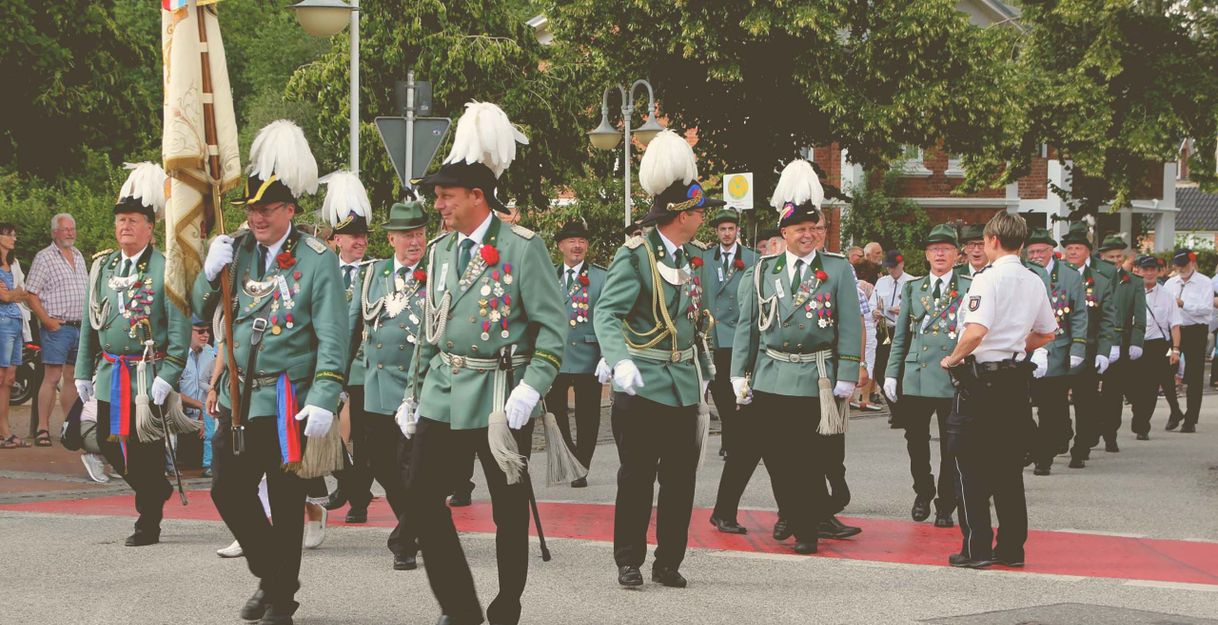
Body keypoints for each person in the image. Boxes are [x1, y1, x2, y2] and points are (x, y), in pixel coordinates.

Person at [399, 101, 565, 625]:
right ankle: (461, 607)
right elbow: (432, 328)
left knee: (509, 512)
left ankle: (506, 604)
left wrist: (532, 387)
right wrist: (411, 392)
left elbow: (552, 329)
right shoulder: (441, 250)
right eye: (437, 196)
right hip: (444, 392)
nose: (439, 205)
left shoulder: (523, 248)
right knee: (419, 499)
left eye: (447, 196)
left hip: (499, 397)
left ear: (477, 196)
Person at [195, 120, 347, 625]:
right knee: (226, 490)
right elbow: (199, 310)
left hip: (288, 400)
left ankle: (280, 600)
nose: (257, 217)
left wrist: (326, 394)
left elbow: (332, 334)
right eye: (252, 210)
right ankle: (274, 576)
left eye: (267, 209)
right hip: (242, 399)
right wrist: (208, 272)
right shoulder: (235, 251)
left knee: (285, 504)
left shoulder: (315, 259)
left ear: (290, 210)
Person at [595, 129, 718, 587]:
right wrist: (618, 359)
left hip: (683, 384)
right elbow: (607, 313)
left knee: (680, 482)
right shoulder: (634, 257)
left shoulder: (693, 258)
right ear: (680, 215)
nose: (704, 216)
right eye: (699, 210)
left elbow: (695, 321)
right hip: (641, 382)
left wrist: (704, 372)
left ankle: (670, 561)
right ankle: (629, 559)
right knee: (637, 478)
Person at [728, 159, 862, 555]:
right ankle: (790, 512)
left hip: (815, 377)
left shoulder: (836, 270)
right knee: (777, 458)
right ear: (784, 232)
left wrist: (848, 373)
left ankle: (806, 529)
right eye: (799, 229)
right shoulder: (762, 271)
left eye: (813, 229)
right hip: (770, 374)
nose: (808, 236)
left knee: (807, 459)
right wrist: (739, 373)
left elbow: (850, 325)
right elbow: (748, 326)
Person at [73, 162, 190, 546]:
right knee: (107, 440)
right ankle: (156, 490)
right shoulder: (102, 266)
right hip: (110, 373)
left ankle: (148, 521)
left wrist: (168, 375)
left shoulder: (164, 267)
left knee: (145, 450)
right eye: (121, 220)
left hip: (146, 375)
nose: (125, 226)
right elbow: (92, 322)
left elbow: (178, 331)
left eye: (134, 220)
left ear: (150, 227)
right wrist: (82, 371)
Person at [940, 211, 1056, 569]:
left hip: (981, 381)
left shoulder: (986, 280)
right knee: (1008, 469)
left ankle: (976, 548)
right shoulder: (1034, 280)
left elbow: (975, 331)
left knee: (969, 467)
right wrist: (1018, 342)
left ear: (992, 240)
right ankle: (1011, 549)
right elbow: (1048, 333)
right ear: (1020, 243)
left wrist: (953, 359)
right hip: (1013, 381)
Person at [353, 198, 426, 571]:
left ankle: (406, 540)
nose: (414, 242)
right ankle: (415, 526)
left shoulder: (437, 273)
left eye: (419, 234)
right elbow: (354, 326)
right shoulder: (373, 274)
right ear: (392, 238)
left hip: (417, 389)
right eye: (406, 235)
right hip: (377, 387)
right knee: (381, 465)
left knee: (413, 468)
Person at [883, 223, 970, 527]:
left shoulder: (970, 286)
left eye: (946, 249)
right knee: (915, 440)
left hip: (951, 375)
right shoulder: (913, 288)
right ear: (926, 255)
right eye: (934, 249)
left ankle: (946, 502)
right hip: (917, 374)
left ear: (957, 254)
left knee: (951, 443)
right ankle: (923, 491)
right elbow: (901, 337)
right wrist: (891, 373)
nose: (940, 254)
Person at [323, 179, 376, 523]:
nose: (359, 241)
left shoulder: (376, 271)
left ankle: (357, 497)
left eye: (363, 236)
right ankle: (351, 483)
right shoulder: (324, 271)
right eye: (351, 236)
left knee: (368, 438)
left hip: (364, 365)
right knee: (323, 428)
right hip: (328, 363)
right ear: (336, 240)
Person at [546, 220, 607, 485]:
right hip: (556, 356)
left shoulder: (601, 277)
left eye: (582, 241)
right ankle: (569, 457)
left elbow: (607, 317)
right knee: (555, 413)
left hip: (588, 355)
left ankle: (582, 465)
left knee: (588, 415)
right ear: (561, 246)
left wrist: (607, 354)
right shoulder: (549, 275)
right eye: (572, 241)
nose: (577, 246)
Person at [1022, 229, 1087, 476]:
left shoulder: (1069, 276)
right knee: (1023, 405)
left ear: (1052, 251)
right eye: (1032, 251)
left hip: (1058, 350)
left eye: (1042, 251)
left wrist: (1078, 346)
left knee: (1051, 406)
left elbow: (1080, 313)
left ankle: (1044, 457)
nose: (1037, 255)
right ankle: (1034, 444)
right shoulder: (1023, 274)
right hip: (1027, 349)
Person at [24, 213, 88, 447]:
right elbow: (31, 293)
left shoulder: (80, 256)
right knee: (52, 377)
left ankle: (69, 427)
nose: (71, 233)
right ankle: (42, 429)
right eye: (65, 229)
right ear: (54, 232)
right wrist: (47, 320)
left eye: (73, 228)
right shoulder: (44, 257)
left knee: (73, 378)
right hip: (57, 327)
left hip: (79, 327)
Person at [1059, 222, 1118, 469]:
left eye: (1077, 248)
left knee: (1085, 401)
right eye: (1069, 248)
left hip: (1089, 348)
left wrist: (1106, 350)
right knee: (1055, 398)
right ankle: (1062, 432)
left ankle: (1081, 446)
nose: (1072, 252)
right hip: (1060, 347)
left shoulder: (1101, 282)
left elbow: (1107, 319)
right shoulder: (1056, 277)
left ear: (1087, 252)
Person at [701, 208, 757, 460]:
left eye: (730, 229)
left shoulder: (752, 258)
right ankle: (730, 437)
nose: (726, 233)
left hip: (739, 332)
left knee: (739, 390)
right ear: (717, 231)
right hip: (715, 335)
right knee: (720, 391)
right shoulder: (705, 259)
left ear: (737, 231)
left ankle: (732, 441)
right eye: (722, 229)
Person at [1095, 236, 1145, 451]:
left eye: (1118, 257)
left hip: (1121, 343)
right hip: (1094, 343)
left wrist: (1136, 341)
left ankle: (1110, 433)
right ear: (1101, 257)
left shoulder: (1133, 282)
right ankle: (1091, 428)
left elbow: (1139, 316)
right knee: (1089, 391)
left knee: (1113, 392)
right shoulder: (1092, 278)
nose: (1115, 261)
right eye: (1110, 257)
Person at [1131, 255, 1182, 440]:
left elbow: (1175, 324)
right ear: (1138, 271)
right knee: (1135, 387)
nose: (1150, 273)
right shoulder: (1132, 292)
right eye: (1146, 269)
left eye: (1153, 269)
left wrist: (1175, 350)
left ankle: (1143, 425)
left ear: (1159, 272)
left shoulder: (1167, 296)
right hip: (1136, 344)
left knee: (1151, 388)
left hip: (1158, 345)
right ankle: (1139, 414)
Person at [1164, 248, 1212, 433]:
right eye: (1178, 266)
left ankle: (1191, 418)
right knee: (1165, 370)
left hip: (1195, 331)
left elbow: (1206, 309)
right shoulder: (1170, 283)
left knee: (1194, 375)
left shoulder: (1204, 282)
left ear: (1192, 263)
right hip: (1174, 330)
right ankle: (1175, 410)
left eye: (1184, 265)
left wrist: (1184, 305)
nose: (1181, 269)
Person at [869, 249, 912, 413]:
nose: (890, 270)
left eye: (894, 267)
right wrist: (875, 311)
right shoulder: (882, 282)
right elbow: (873, 302)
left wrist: (903, 311)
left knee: (899, 370)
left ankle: (901, 409)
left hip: (901, 331)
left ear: (901, 264)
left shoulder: (911, 282)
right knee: (880, 369)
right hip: (884, 330)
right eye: (888, 267)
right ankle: (895, 408)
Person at [0, 222, 31, 448]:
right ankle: (3, 431)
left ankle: (6, 431)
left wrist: (12, 294)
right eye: (9, 235)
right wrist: (13, 294)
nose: (14, 238)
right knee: (1, 378)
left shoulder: (15, 264)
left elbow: (23, 292)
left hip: (17, 323)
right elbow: (8, 298)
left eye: (14, 234)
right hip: (2, 324)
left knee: (9, 380)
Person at [179, 316, 217, 477]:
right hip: (179, 411)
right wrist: (200, 405)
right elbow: (171, 392)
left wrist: (204, 409)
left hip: (204, 411)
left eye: (208, 331)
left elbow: (213, 385)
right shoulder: (176, 354)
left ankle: (211, 465)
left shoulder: (210, 352)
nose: (205, 335)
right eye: (200, 331)